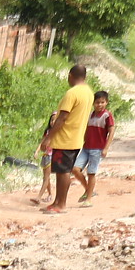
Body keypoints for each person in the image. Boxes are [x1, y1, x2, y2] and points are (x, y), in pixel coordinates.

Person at [40, 65, 94, 215]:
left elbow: (62, 118)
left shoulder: (72, 93)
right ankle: (57, 202)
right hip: (75, 138)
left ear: (70, 75)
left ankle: (61, 204)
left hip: (65, 138)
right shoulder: (88, 92)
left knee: (63, 172)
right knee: (61, 171)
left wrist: (48, 138)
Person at [77, 89, 114, 206]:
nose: (100, 105)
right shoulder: (90, 115)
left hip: (97, 149)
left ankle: (88, 199)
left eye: (102, 102)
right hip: (86, 147)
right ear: (94, 103)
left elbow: (111, 131)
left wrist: (106, 148)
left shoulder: (107, 115)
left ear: (106, 102)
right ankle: (89, 190)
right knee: (75, 169)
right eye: (97, 102)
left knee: (91, 173)